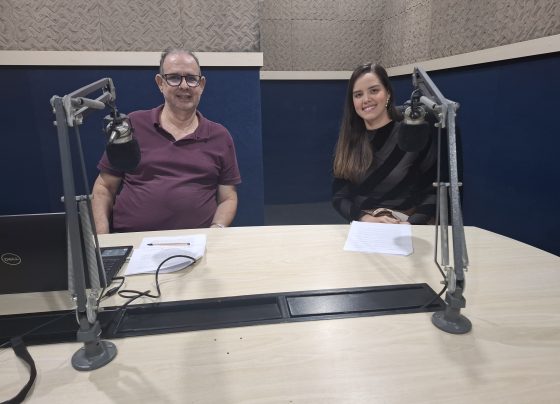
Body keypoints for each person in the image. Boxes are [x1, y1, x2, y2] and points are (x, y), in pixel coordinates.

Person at [92, 48, 241, 234]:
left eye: (191, 78)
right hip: (133, 240)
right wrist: (102, 240)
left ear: (201, 85)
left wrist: (216, 229)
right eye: (174, 78)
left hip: (197, 242)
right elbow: (104, 187)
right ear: (160, 83)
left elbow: (228, 197)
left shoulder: (220, 136)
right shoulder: (132, 125)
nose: (184, 86)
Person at [332, 63, 437, 224]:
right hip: (365, 224)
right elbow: (339, 197)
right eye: (358, 95)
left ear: (388, 92)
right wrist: (365, 218)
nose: (366, 99)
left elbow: (433, 192)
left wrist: (411, 224)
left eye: (374, 90)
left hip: (406, 222)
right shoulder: (349, 140)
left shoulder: (412, 133)